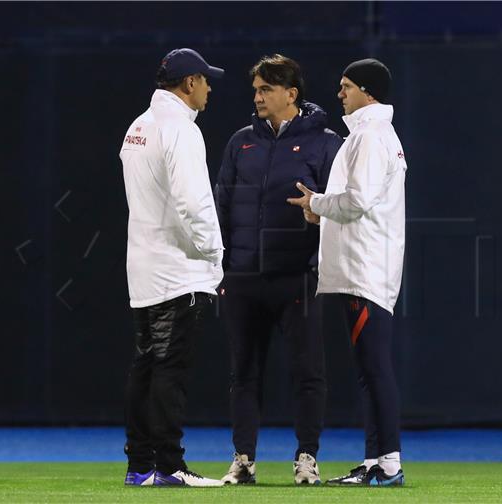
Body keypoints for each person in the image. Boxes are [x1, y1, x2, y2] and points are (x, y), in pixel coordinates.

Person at [215, 54, 343, 485]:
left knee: (308, 373)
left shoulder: (327, 143)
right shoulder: (240, 142)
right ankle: (243, 460)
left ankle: (306, 458)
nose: (257, 98)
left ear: (291, 93)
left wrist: (318, 236)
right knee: (243, 374)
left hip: (297, 277)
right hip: (244, 277)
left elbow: (343, 208)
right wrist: (223, 266)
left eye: (265, 90)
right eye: (255, 90)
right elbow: (222, 206)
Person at [287, 58, 407, 486]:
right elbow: (357, 202)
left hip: (364, 269)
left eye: (346, 86)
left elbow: (357, 201)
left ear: (368, 92)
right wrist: (322, 211)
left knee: (374, 367)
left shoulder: (371, 136)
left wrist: (317, 204)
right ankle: (376, 460)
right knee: (368, 368)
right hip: (363, 266)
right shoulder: (369, 134)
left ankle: (388, 462)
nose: (339, 93)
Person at [119, 48, 225, 487]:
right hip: (179, 269)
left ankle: (141, 465)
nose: (209, 88)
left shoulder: (138, 126)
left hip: (144, 266)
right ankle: (168, 465)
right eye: (204, 80)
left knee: (146, 366)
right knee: (170, 369)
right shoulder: (180, 129)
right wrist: (216, 255)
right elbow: (192, 201)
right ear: (188, 84)